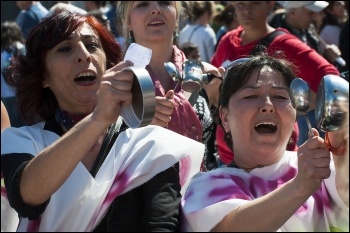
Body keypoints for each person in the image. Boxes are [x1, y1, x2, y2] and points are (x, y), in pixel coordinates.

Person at [1, 10, 204, 232]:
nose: (84, 55)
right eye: (65, 48)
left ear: (107, 64)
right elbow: (27, 198)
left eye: (92, 45)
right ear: (43, 77)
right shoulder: (23, 140)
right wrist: (98, 119)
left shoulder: (148, 144)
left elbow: (161, 225)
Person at [181, 53, 349, 232]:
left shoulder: (322, 168)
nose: (268, 105)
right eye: (251, 96)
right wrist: (301, 186)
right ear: (225, 117)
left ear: (295, 115)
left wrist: (341, 148)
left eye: (280, 97)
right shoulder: (205, 186)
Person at [212, 1, 340, 166]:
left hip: (275, 164)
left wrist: (296, 105)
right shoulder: (228, 41)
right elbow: (214, 78)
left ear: (269, 5)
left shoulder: (288, 45)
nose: (246, 10)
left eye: (254, 4)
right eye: (240, 4)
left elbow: (332, 81)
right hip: (227, 159)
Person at [117, 1, 224, 171]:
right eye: (143, 4)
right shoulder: (115, 84)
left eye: (164, 2)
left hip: (198, 192)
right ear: (127, 21)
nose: (155, 10)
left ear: (177, 17)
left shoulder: (205, 75)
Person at [1, 21, 27, 127]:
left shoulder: (2, 51)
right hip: (25, 91)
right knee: (27, 123)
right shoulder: (23, 48)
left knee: (13, 125)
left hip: (6, 93)